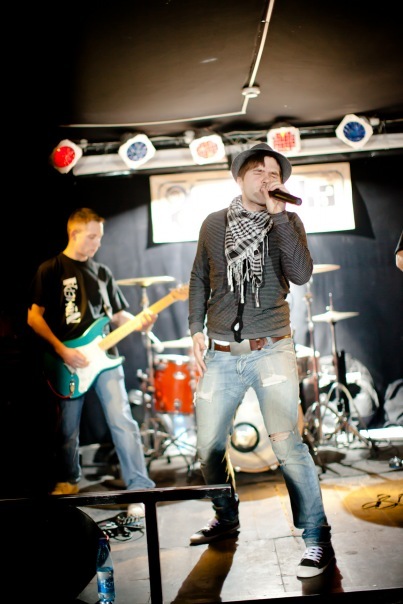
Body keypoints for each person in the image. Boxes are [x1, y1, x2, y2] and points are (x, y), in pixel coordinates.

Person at [188, 143, 334, 578]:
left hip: (272, 348)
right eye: (259, 172)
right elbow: (198, 276)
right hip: (220, 353)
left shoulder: (287, 221)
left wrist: (279, 217)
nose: (268, 179)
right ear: (239, 178)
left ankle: (316, 538)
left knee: (288, 444)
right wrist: (195, 328)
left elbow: (301, 274)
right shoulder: (214, 223)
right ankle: (225, 516)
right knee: (208, 447)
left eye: (275, 174)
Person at [27, 207, 156, 517]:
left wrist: (140, 322)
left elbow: (117, 315)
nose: (98, 243)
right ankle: (68, 482)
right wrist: (62, 350)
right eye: (92, 237)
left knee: (123, 421)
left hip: (105, 359)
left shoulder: (102, 272)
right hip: (68, 361)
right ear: (74, 234)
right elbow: (34, 317)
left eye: (100, 237)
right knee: (67, 429)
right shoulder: (51, 269)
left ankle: (139, 488)